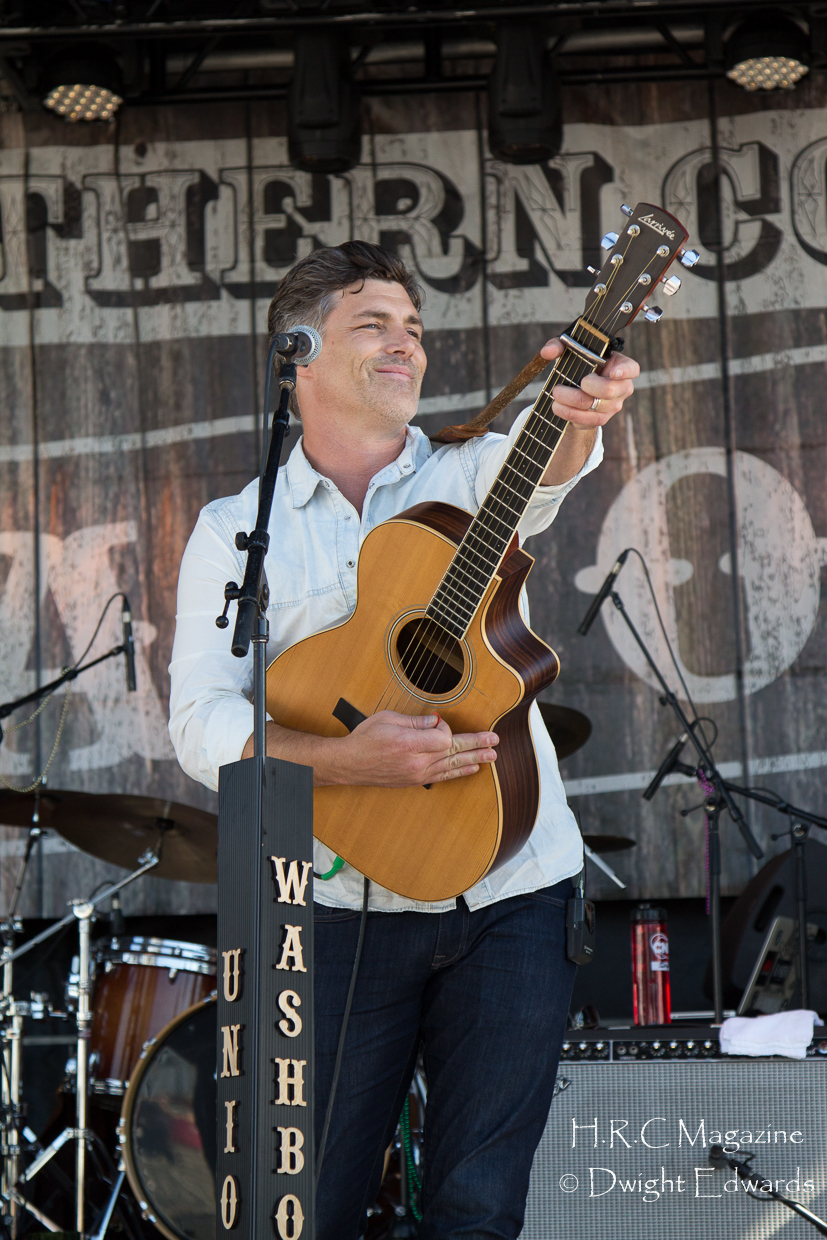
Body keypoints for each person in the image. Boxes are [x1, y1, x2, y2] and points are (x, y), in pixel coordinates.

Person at [169, 241, 639, 1239]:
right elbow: (200, 720)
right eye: (372, 324)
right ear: (297, 353)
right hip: (334, 906)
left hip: (512, 893)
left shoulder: (467, 473)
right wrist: (344, 761)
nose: (405, 345)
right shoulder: (235, 531)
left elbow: (543, 468)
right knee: (303, 1210)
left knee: (478, 1210)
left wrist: (577, 414)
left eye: (414, 328)